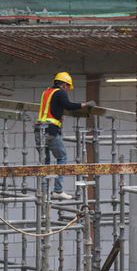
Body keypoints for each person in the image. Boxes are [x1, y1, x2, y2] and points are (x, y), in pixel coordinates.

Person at [35, 71, 93, 200]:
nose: (67, 90)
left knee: (45, 162)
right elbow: (68, 105)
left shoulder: (46, 92)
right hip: (51, 130)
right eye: (68, 87)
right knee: (62, 158)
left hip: (39, 130)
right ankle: (58, 190)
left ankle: (44, 191)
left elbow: (54, 108)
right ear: (64, 85)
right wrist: (84, 105)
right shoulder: (60, 92)